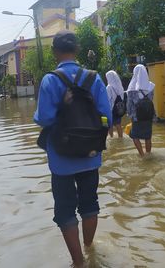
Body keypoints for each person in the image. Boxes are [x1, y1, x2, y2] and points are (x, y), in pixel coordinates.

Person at [34, 30, 112, 267]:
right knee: (90, 204)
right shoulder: (94, 78)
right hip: (90, 155)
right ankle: (90, 249)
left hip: (61, 158)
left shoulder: (50, 80)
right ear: (77, 50)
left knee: (65, 211)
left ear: (55, 51)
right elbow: (107, 117)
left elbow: (44, 119)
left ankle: (78, 262)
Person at [127, 64, 155, 157]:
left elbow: (130, 105)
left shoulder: (132, 88)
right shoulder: (150, 86)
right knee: (148, 136)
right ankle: (148, 154)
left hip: (137, 117)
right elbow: (151, 100)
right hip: (148, 115)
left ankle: (142, 155)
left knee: (134, 136)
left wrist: (130, 116)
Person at [106, 70, 125, 138]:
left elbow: (108, 99)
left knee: (110, 125)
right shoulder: (120, 86)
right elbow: (122, 97)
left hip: (111, 109)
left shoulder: (109, 87)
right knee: (118, 124)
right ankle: (121, 138)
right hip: (119, 108)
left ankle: (111, 137)